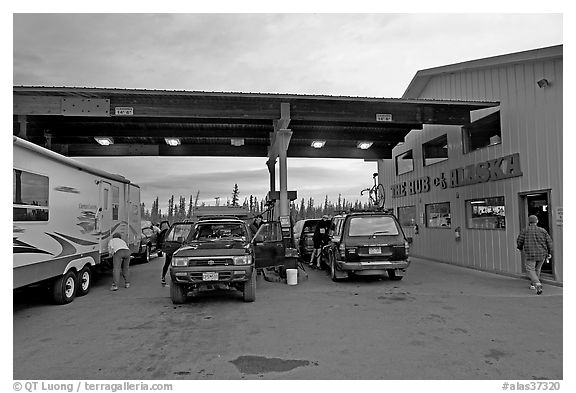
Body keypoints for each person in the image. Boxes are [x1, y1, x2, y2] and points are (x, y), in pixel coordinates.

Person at [516, 215, 553, 295]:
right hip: (542, 254)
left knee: (530, 269)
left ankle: (537, 284)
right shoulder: (543, 230)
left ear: (529, 222)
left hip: (530, 254)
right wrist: (549, 252)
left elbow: (519, 240)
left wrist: (519, 247)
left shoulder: (525, 230)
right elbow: (549, 242)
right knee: (537, 269)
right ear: (537, 221)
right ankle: (533, 284)